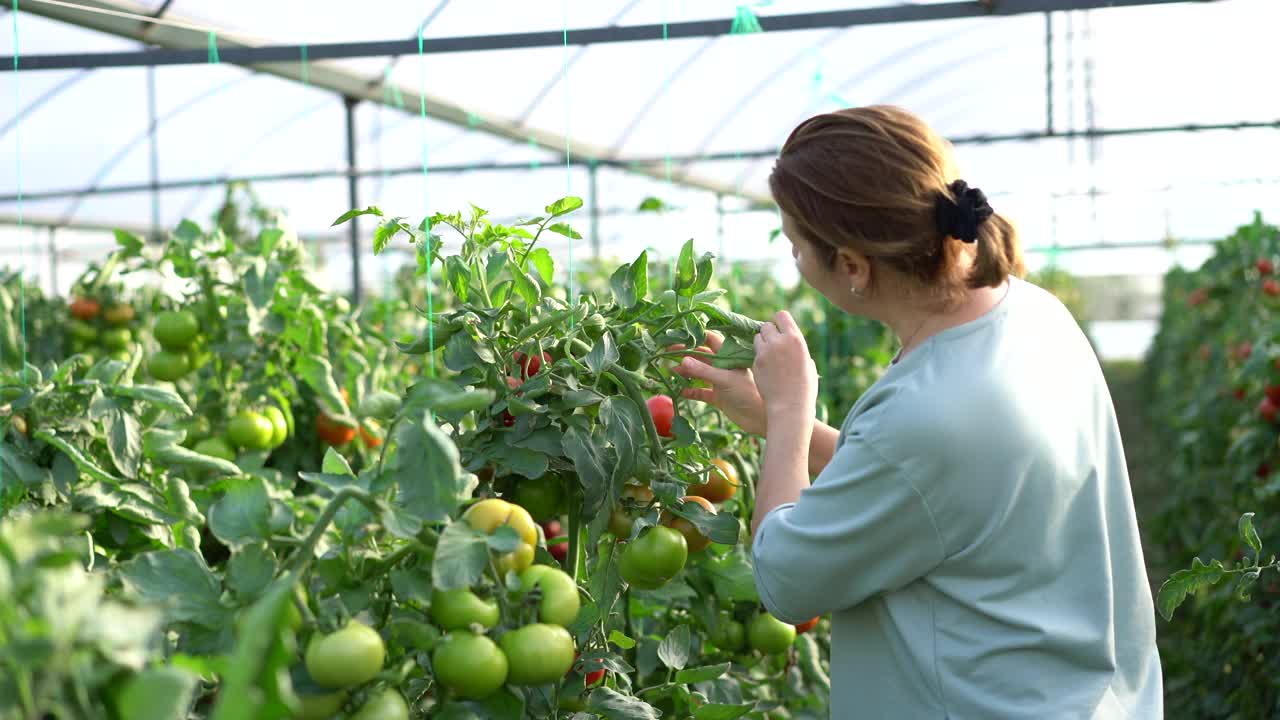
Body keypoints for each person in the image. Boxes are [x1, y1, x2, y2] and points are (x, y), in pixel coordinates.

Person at [675, 105, 1163, 718]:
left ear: (853, 265)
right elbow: (920, 485)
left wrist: (792, 409)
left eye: (798, 248)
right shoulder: (1032, 314)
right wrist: (770, 416)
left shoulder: (929, 411)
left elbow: (787, 580)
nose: (795, 265)